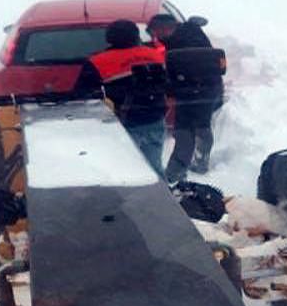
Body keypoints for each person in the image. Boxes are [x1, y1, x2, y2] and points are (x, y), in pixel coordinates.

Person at [77, 20, 168, 176]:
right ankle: (161, 190)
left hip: (123, 124)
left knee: (124, 171)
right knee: (154, 168)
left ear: (109, 38)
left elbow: (81, 95)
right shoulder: (155, 55)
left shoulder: (98, 61)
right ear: (136, 35)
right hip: (155, 119)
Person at [148, 14, 224, 183]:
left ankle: (175, 174)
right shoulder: (190, 32)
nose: (156, 37)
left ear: (166, 28)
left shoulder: (181, 43)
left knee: (185, 131)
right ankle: (200, 159)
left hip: (192, 91)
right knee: (201, 125)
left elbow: (180, 70)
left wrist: (169, 88)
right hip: (208, 88)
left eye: (156, 32)